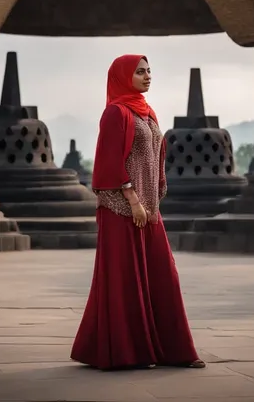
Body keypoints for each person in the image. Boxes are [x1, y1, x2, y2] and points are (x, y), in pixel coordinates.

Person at [70, 54, 205, 371]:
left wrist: (152, 199)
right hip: (122, 209)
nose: (147, 76)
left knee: (162, 275)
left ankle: (176, 350)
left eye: (148, 71)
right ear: (122, 76)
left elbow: (156, 160)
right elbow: (107, 164)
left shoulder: (148, 113)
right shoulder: (115, 113)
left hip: (149, 209)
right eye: (139, 72)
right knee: (125, 281)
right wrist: (132, 200)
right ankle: (130, 352)